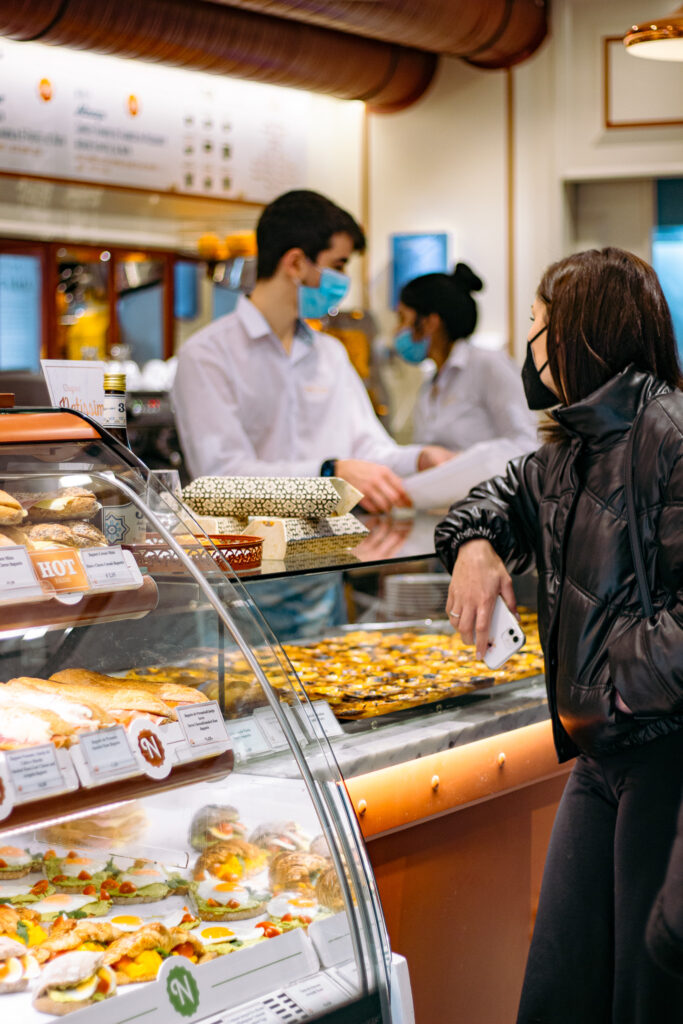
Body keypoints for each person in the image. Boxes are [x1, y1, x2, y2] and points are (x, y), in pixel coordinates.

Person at [434, 247, 683, 1023]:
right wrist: (474, 547)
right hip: (597, 756)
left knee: (646, 997)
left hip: (664, 758)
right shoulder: (566, 452)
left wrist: (616, 680)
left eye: (538, 323)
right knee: (557, 992)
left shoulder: (669, 435)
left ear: (581, 334)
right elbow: (486, 501)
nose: (529, 345)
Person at [173, 189, 453, 514]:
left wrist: (419, 458)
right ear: (295, 263)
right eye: (338, 265)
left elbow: (368, 449)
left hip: (334, 548)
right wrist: (328, 473)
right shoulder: (207, 355)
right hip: (250, 555)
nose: (344, 280)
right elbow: (220, 479)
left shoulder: (330, 353)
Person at [395, 262, 538, 461]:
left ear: (431, 322)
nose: (397, 331)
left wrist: (462, 464)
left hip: (490, 490)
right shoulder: (431, 383)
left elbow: (527, 443)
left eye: (402, 319)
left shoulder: (488, 365)